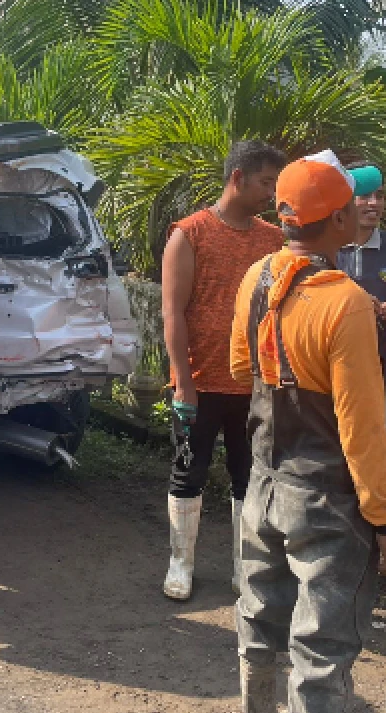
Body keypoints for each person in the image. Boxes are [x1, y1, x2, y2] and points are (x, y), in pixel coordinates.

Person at [230, 151, 386, 713]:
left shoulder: (257, 277)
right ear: (337, 220)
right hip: (326, 503)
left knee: (258, 621)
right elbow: (361, 430)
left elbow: (241, 367)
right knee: (321, 646)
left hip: (263, 485)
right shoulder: (347, 303)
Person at [160, 140, 287, 601]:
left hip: (254, 385)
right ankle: (181, 563)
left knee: (249, 476)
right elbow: (172, 312)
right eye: (265, 183)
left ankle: (243, 567)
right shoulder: (189, 234)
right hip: (198, 382)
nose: (271, 194)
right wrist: (183, 382)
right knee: (188, 471)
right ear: (238, 178)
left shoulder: (273, 240)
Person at [335, 164, 386, 435]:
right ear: (345, 201)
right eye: (365, 196)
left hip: (383, 372)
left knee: (378, 446)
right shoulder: (329, 247)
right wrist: (355, 303)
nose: (374, 203)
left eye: (379, 196)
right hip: (334, 372)